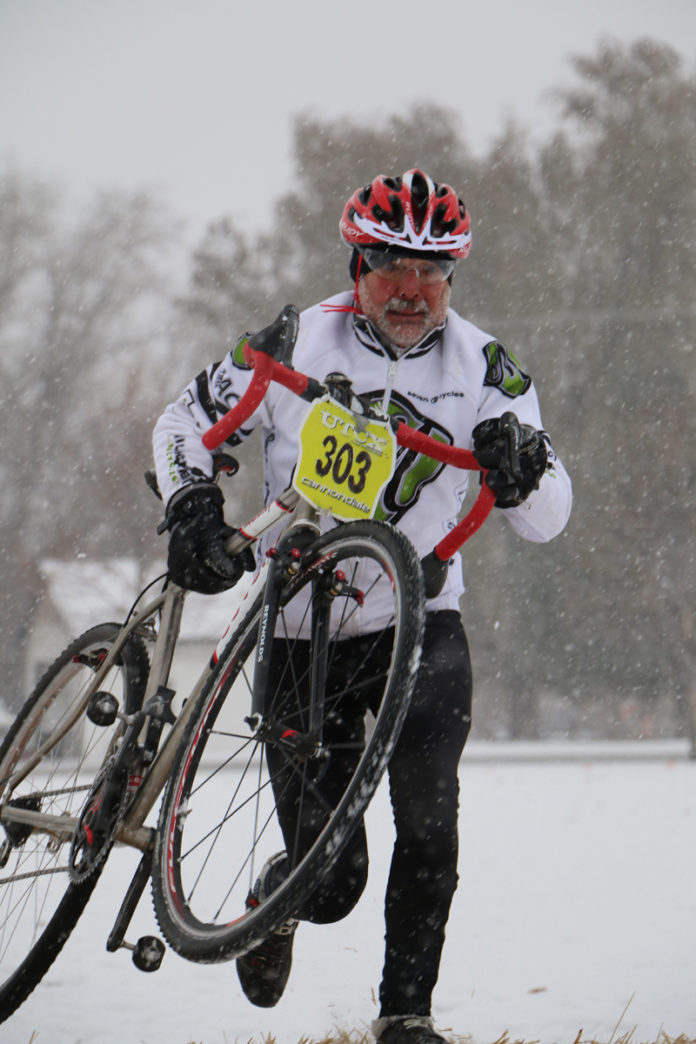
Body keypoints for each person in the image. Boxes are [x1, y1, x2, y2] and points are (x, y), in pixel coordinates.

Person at [152, 169, 572, 1043]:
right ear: (357, 264)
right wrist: (191, 505)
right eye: (390, 266)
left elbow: (548, 519)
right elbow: (180, 423)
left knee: (430, 820)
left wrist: (524, 467)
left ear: (453, 273)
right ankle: (280, 897)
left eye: (432, 270)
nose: (411, 289)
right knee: (332, 882)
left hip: (422, 624)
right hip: (300, 629)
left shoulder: (485, 366)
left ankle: (405, 1017)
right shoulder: (297, 340)